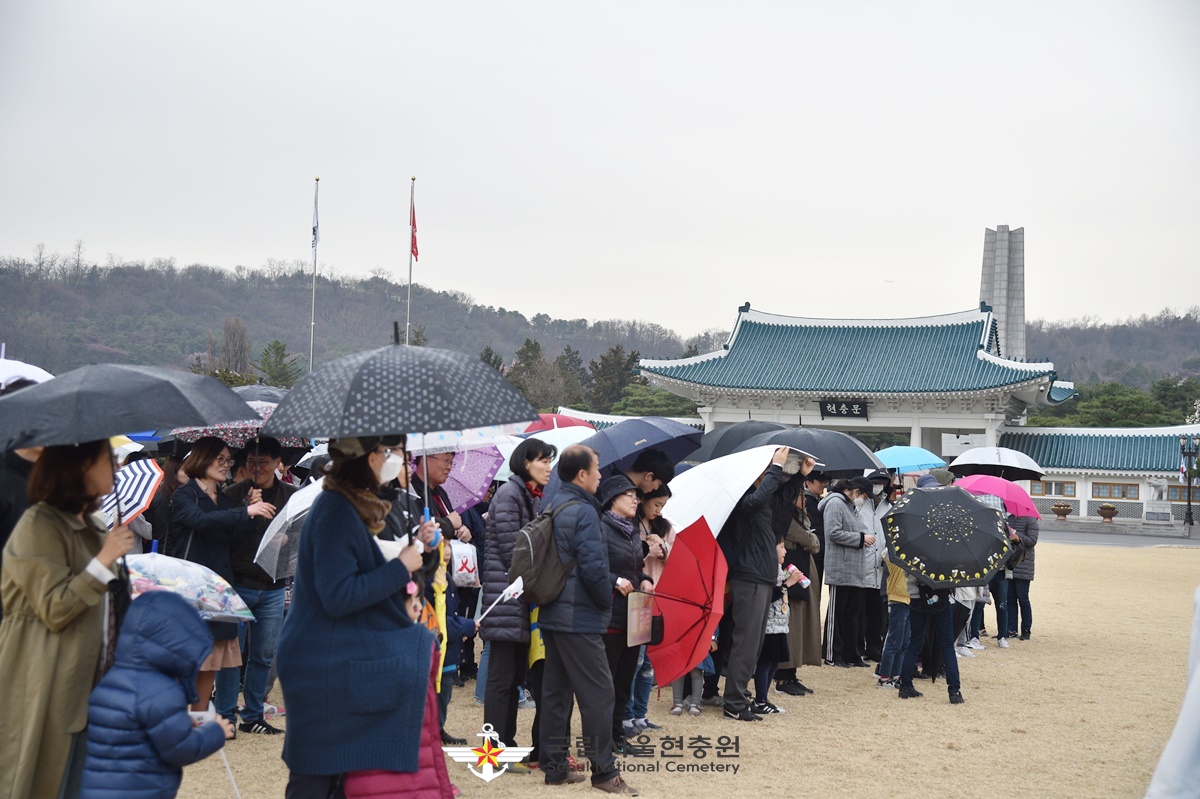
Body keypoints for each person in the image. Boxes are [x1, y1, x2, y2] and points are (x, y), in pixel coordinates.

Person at [274, 436, 450, 798]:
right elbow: (339, 595)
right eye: (396, 452)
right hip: (321, 664)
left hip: (339, 659)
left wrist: (417, 555)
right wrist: (401, 567)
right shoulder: (335, 510)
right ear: (373, 457)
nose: (402, 460)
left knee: (341, 776)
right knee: (317, 777)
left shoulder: (359, 507)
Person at [0, 439, 136, 799]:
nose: (117, 467)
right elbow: (55, 607)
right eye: (108, 460)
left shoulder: (93, 526)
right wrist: (105, 558)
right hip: (47, 678)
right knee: (42, 779)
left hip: (92, 681)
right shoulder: (38, 523)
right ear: (81, 466)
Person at [538, 445, 636, 796]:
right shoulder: (583, 511)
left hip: (553, 611)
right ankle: (605, 773)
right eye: (596, 469)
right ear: (581, 474)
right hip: (579, 615)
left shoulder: (555, 504)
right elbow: (595, 570)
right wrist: (603, 605)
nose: (600, 475)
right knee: (599, 692)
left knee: (556, 693)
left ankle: (555, 767)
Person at [80, 591, 235, 798]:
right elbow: (181, 749)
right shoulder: (162, 691)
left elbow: (131, 725)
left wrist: (180, 719)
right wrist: (216, 731)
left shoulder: (110, 679)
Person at [170, 437, 276, 719]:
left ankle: (199, 718)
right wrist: (244, 511)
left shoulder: (225, 498)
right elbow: (200, 521)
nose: (225, 465)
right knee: (192, 655)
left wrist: (252, 512)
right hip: (191, 585)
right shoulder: (186, 495)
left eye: (228, 460)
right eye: (220, 458)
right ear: (202, 458)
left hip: (220, 586)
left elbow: (234, 538)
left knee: (212, 659)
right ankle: (174, 716)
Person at [481, 437, 556, 770]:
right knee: (501, 679)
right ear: (526, 463)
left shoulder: (527, 496)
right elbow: (516, 553)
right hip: (506, 599)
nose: (548, 468)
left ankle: (504, 746)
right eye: (543, 461)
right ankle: (494, 751)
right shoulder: (511, 495)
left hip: (515, 599)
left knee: (510, 678)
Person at [220, 436, 297, 735]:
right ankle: (226, 715)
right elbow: (224, 537)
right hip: (238, 581)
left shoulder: (291, 495)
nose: (256, 468)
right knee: (231, 655)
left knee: (263, 654)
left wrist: (283, 538)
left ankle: (253, 714)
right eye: (251, 462)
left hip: (274, 585)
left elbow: (296, 537)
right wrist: (246, 511)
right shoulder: (232, 493)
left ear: (278, 463)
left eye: (263, 463)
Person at [719, 446, 793, 721]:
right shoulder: (743, 501)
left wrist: (796, 477)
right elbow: (760, 498)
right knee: (745, 643)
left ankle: (740, 696)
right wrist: (775, 468)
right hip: (748, 576)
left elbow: (779, 502)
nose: (767, 476)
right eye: (762, 471)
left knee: (755, 644)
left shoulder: (761, 504)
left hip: (761, 574)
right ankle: (734, 702)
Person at [597, 474, 654, 749]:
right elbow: (590, 567)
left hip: (633, 615)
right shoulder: (600, 527)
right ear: (612, 500)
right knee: (606, 683)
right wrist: (615, 581)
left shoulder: (632, 529)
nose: (635, 500)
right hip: (608, 617)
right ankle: (602, 738)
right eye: (629, 496)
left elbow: (635, 567)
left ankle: (617, 735)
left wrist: (645, 578)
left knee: (624, 681)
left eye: (636, 496)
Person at [626, 483, 674, 732]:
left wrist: (661, 546)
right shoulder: (630, 525)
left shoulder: (664, 527)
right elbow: (626, 556)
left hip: (658, 599)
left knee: (648, 664)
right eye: (656, 504)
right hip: (636, 598)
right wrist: (646, 546)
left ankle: (641, 715)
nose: (659, 510)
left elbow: (674, 557)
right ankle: (627, 716)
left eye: (663, 506)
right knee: (635, 660)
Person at [820, 475, 877, 668]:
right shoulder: (835, 504)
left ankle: (851, 654)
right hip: (840, 568)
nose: (863, 499)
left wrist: (863, 539)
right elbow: (833, 532)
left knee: (852, 615)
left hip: (854, 569)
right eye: (863, 495)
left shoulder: (850, 506)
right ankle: (832, 654)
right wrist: (861, 539)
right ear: (855, 491)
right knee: (837, 615)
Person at [752, 539, 806, 714]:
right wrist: (787, 583)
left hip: (780, 624)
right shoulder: (767, 568)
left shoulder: (778, 569)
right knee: (766, 662)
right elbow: (768, 595)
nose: (785, 551)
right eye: (781, 547)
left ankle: (764, 698)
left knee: (774, 662)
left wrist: (791, 578)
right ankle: (760, 700)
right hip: (769, 624)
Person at [1007, 513, 1039, 640]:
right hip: (1010, 563)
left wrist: (1017, 535)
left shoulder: (1031, 520)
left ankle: (1026, 629)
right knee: (1010, 599)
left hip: (1024, 564)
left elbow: (1032, 541)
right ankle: (1011, 629)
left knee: (1023, 599)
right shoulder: (1009, 519)